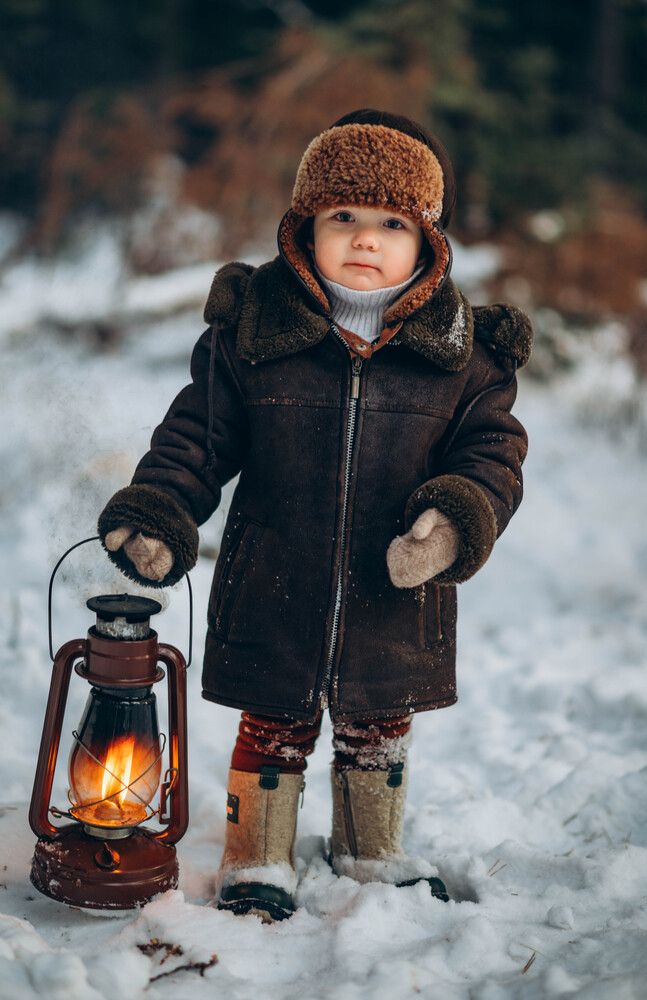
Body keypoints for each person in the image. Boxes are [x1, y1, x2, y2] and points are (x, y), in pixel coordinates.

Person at [98, 108, 532, 922]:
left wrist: (452, 521)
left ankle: (370, 849)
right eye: (344, 216)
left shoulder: (464, 354)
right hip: (276, 575)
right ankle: (258, 854)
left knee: (377, 724)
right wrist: (160, 510)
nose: (366, 239)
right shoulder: (254, 335)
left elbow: (492, 454)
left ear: (427, 240)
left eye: (391, 222)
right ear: (305, 225)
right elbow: (200, 434)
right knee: (275, 724)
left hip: (396, 583)